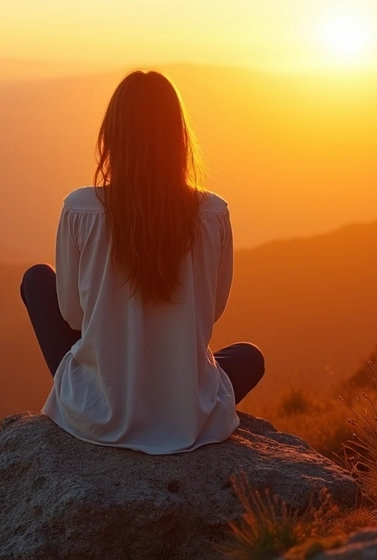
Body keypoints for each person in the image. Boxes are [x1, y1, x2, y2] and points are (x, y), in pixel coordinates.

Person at [19, 70, 263, 454]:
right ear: (178, 138)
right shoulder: (213, 214)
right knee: (249, 358)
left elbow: (72, 317)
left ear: (112, 137)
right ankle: (168, 400)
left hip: (104, 410)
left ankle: (108, 397)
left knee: (36, 281)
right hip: (184, 413)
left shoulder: (81, 209)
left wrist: (118, 328)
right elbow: (211, 311)